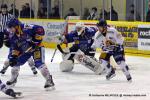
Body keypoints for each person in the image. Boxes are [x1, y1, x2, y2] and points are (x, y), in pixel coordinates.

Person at [5, 18, 55, 89]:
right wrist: (13, 56)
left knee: (39, 64)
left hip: (37, 48)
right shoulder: (12, 36)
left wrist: (36, 40)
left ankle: (49, 80)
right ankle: (13, 79)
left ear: (16, 26)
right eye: (8, 28)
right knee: (15, 63)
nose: (9, 30)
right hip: (26, 50)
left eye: (11, 28)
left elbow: (40, 29)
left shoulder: (26, 27)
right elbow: (15, 47)